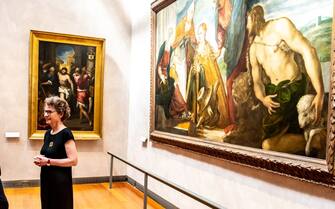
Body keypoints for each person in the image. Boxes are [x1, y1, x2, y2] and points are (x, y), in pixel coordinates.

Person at [248, 5, 324, 153]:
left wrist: (320, 91)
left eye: (247, 21)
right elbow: (257, 82)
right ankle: (310, 140)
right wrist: (263, 98)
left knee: (267, 145)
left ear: (252, 17)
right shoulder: (253, 48)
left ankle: (315, 139)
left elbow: (309, 51)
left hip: (293, 89)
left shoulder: (280, 26)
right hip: (275, 96)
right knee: (266, 143)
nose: (246, 26)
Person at [34, 96, 78, 209]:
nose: (45, 114)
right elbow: (50, 153)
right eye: (45, 111)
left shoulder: (66, 133)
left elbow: (73, 160)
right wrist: (41, 159)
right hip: (46, 180)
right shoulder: (48, 133)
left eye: (49, 112)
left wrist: (48, 161)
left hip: (60, 182)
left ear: (60, 114)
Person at [186, 23, 229, 129]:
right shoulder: (197, 47)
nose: (199, 36)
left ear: (205, 34)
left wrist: (200, 68)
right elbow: (195, 62)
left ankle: (206, 117)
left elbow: (209, 64)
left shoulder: (207, 46)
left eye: (201, 33)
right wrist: (195, 67)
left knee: (208, 96)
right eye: (198, 33)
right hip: (198, 78)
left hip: (207, 79)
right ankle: (196, 115)